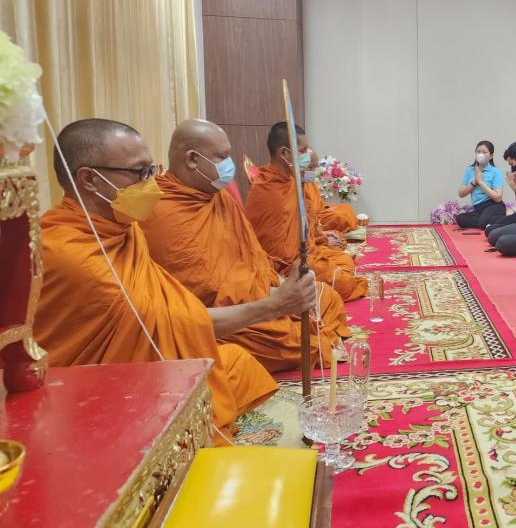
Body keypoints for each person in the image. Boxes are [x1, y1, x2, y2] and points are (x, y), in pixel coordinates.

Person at [35, 119, 278, 434]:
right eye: (140, 173)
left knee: (235, 363)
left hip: (146, 362)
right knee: (212, 387)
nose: (152, 184)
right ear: (90, 179)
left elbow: (164, 306)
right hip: (101, 393)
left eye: (152, 170)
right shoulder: (69, 253)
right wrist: (271, 307)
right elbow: (169, 320)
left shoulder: (124, 227)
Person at [142, 119, 352, 373]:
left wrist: (279, 286)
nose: (229, 164)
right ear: (192, 159)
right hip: (233, 317)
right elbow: (200, 295)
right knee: (298, 340)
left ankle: (303, 324)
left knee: (326, 297)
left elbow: (254, 255)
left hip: (263, 293)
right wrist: (273, 302)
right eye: (222, 157)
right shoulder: (159, 213)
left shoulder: (219, 198)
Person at [245, 123, 367, 301]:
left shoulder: (291, 180)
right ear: (284, 153)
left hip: (308, 252)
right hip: (286, 267)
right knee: (344, 284)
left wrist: (320, 240)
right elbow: (279, 253)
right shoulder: (268, 189)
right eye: (302, 151)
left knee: (344, 263)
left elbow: (306, 223)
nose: (307, 156)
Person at [455, 140, 505, 230]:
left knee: (482, 222)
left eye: (484, 152)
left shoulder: (496, 172)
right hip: (478, 209)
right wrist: (474, 182)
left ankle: (488, 222)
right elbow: (461, 193)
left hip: (493, 205)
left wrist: (481, 182)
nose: (481, 154)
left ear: (491, 156)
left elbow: (498, 197)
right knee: (460, 219)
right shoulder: (470, 170)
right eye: (478, 152)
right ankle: (493, 222)